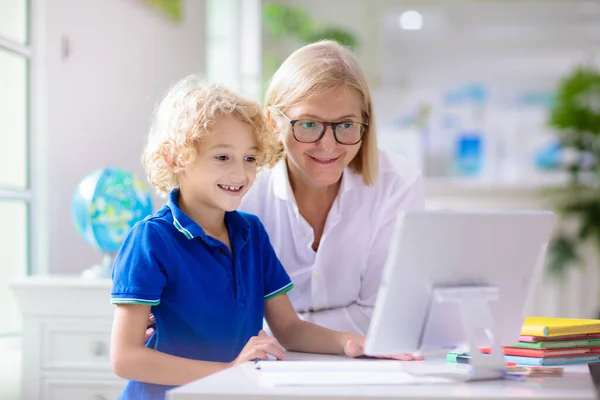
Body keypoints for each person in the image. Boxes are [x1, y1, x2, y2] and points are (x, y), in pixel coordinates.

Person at [111, 75, 422, 400]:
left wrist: (357, 344)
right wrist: (231, 370)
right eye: (222, 157)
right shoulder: (150, 239)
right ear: (177, 158)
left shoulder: (251, 233)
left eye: (249, 158)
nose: (241, 173)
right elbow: (125, 359)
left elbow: (289, 329)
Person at [238, 40, 424, 335]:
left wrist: (282, 327)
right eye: (309, 124)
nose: (328, 146)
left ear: (365, 123)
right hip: (261, 365)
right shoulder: (241, 188)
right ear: (274, 121)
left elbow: (386, 313)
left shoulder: (396, 184)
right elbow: (222, 311)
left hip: (363, 364)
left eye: (346, 125)